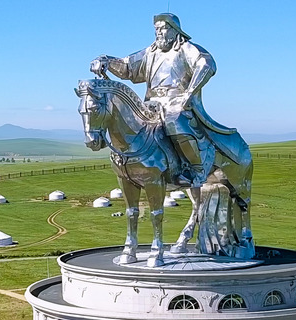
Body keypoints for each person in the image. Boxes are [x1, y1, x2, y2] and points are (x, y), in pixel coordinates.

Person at [91, 13, 237, 188]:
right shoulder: (150, 52)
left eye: (163, 28)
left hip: (178, 102)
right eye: (156, 29)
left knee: (174, 121)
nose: (159, 32)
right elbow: (127, 67)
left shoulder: (186, 49)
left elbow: (206, 64)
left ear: (175, 30)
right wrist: (105, 60)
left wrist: (189, 93)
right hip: (151, 104)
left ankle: (196, 168)